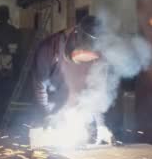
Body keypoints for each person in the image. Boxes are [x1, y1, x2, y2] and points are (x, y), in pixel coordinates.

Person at [32, 15, 112, 144]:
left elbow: (97, 92)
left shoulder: (100, 55)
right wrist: (47, 114)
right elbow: (39, 85)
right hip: (50, 112)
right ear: (75, 34)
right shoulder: (49, 48)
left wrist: (101, 124)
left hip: (78, 115)